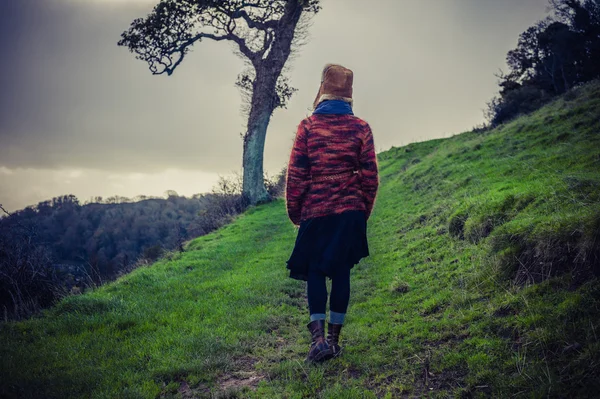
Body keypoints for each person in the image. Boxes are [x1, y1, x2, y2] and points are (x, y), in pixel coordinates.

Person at [285, 64, 379, 363]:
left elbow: (297, 174)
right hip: (350, 209)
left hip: (316, 208)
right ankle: (336, 342)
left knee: (314, 270)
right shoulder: (361, 127)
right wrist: (362, 210)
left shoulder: (308, 126)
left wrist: (295, 212)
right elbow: (370, 176)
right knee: (341, 271)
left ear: (321, 92)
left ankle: (319, 341)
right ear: (349, 96)